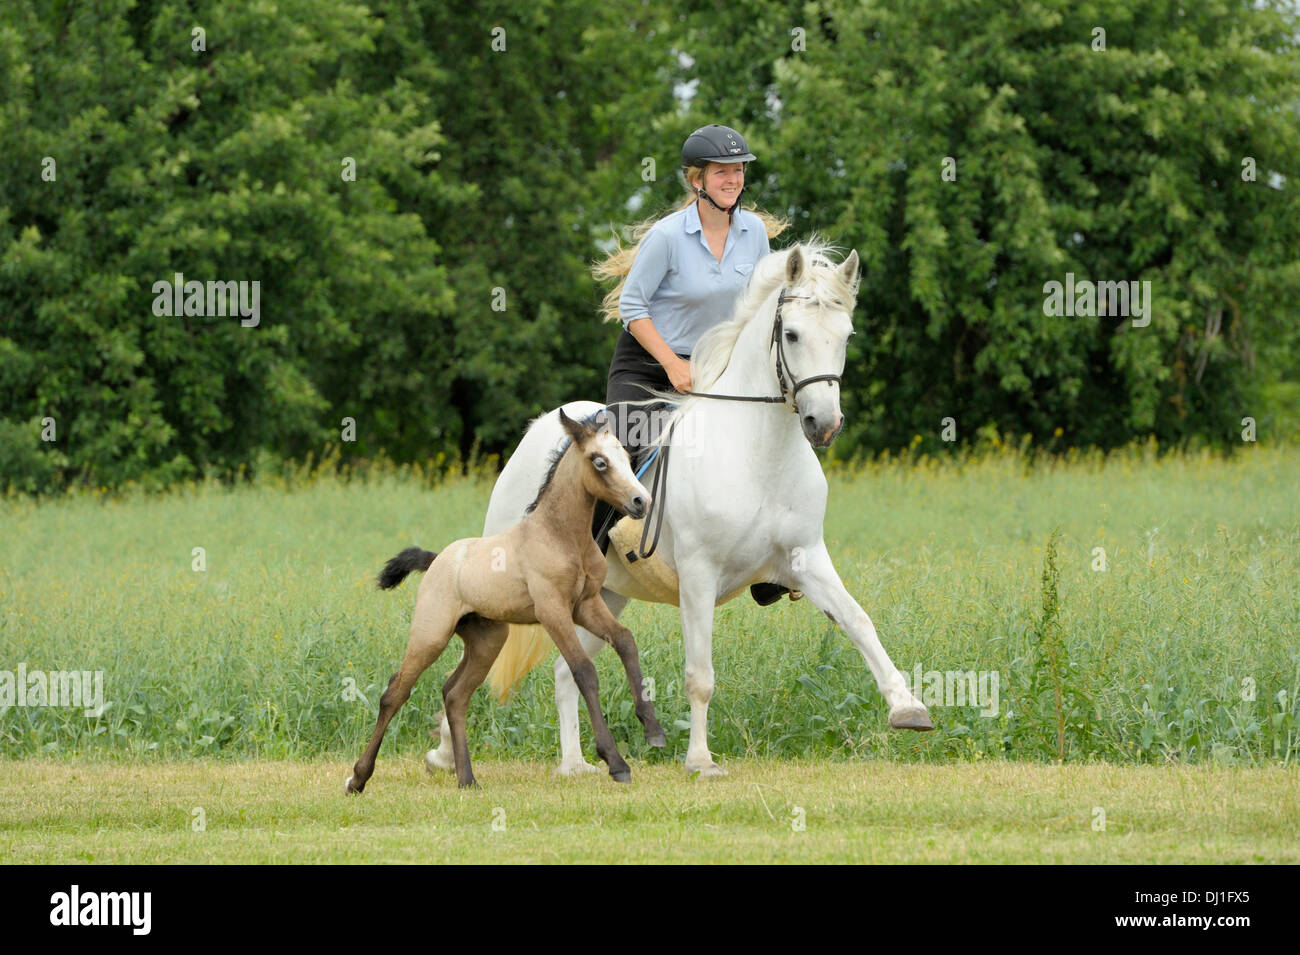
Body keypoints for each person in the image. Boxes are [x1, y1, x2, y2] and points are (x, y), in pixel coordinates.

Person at [592, 124, 796, 604]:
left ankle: (773, 568)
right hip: (646, 364)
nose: (733, 179)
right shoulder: (666, 238)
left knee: (772, 439)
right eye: (722, 171)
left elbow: (757, 311)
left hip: (713, 367)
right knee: (623, 449)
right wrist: (672, 365)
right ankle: (587, 553)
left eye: (739, 170)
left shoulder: (754, 237)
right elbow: (632, 309)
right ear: (696, 180)